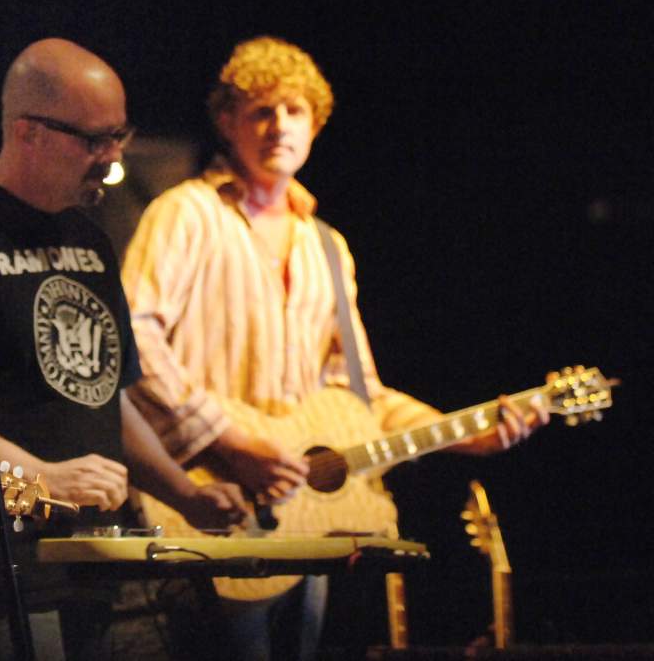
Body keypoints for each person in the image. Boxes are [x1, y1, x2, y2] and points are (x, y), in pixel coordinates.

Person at [120, 36, 549, 661]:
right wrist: (230, 442)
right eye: (260, 110)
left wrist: (465, 433)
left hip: (301, 518)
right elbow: (133, 338)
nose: (278, 126)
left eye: (294, 110)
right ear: (226, 121)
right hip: (206, 501)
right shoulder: (185, 214)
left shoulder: (327, 246)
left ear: (315, 124)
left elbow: (358, 396)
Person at [0, 38, 247, 660]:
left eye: (120, 135)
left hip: (102, 565)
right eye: (95, 140)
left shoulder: (91, 240)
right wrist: (43, 477)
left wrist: (185, 492)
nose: (112, 156)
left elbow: (108, 396)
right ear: (30, 132)